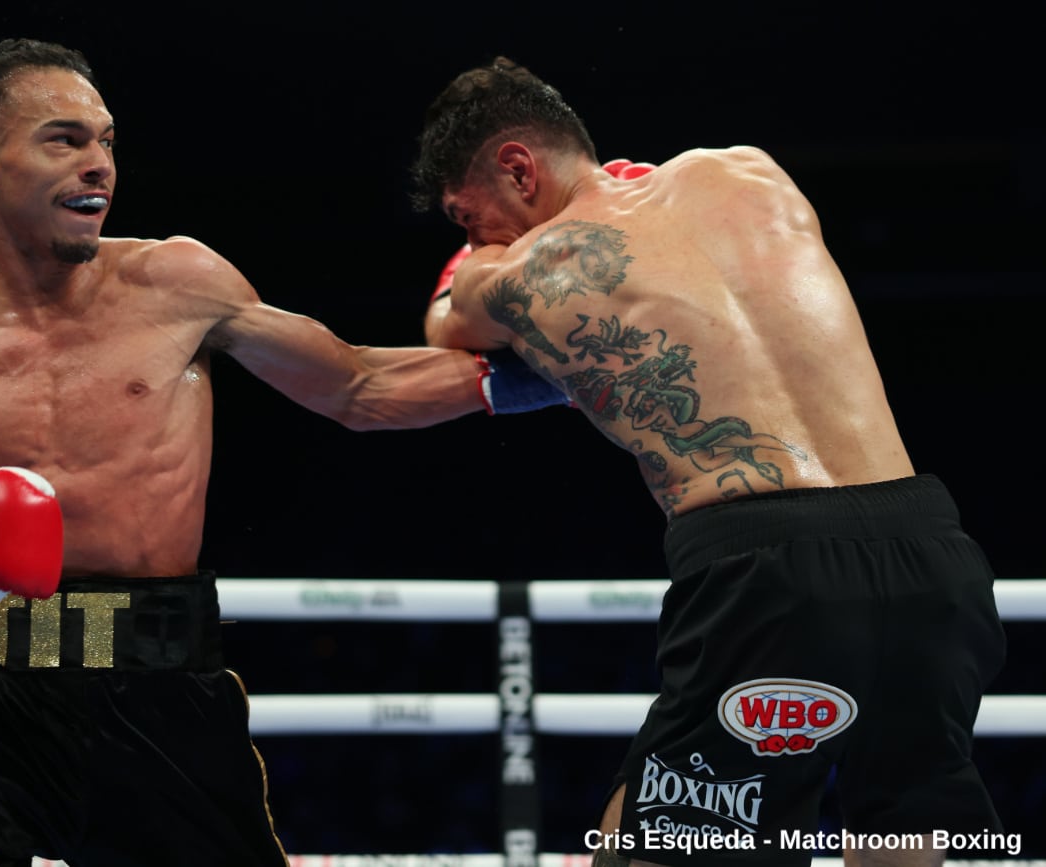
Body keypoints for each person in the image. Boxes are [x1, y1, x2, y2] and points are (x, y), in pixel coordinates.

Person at [0, 39, 568, 867]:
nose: (99, 165)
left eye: (107, 141)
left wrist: (566, 377)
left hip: (164, 682)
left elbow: (357, 383)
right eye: (65, 140)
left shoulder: (177, 283)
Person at [412, 57, 1007, 867]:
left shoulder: (522, 268)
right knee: (900, 826)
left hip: (768, 570)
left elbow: (447, 325)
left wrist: (471, 268)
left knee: (645, 849)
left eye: (467, 213)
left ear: (519, 168)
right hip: (932, 551)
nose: (474, 236)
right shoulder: (748, 171)